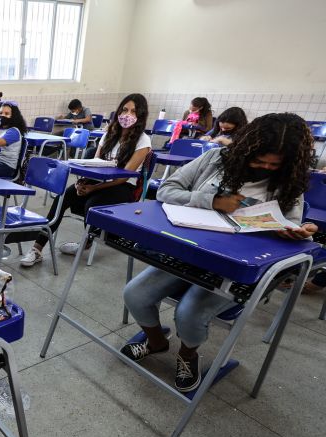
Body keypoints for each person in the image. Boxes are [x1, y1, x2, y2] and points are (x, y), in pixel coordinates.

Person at [120, 113, 318, 392]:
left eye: (274, 165)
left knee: (188, 314)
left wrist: (292, 231)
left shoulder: (290, 182)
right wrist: (211, 201)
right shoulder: (215, 160)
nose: (265, 168)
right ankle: (156, 342)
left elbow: (291, 223)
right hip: (191, 252)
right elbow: (166, 190)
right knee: (134, 294)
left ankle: (188, 355)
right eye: (259, 161)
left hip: (236, 267)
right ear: (245, 149)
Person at [20, 93, 152, 266]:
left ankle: (86, 242)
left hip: (123, 187)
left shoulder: (143, 140)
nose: (127, 115)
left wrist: (92, 189)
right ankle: (37, 249)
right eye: (125, 110)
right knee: (65, 195)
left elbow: (124, 177)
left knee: (92, 203)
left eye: (133, 111)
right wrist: (82, 182)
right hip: (100, 182)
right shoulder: (109, 135)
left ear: (140, 116)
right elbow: (94, 164)